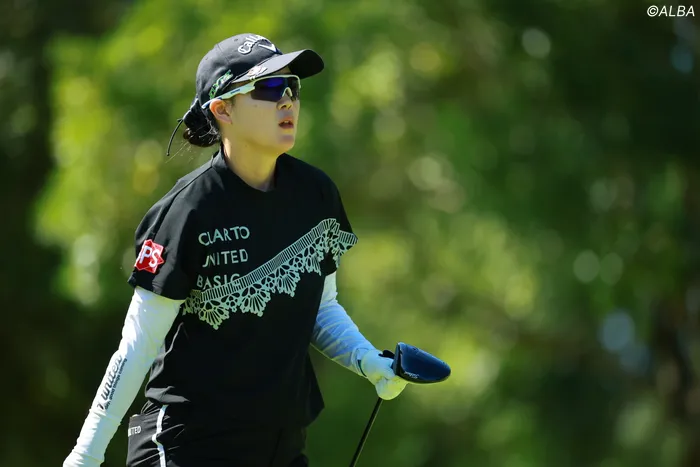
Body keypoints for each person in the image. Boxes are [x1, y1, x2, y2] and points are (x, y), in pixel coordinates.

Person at [63, 33, 408, 467]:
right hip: (187, 447)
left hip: (282, 446)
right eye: (268, 87)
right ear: (222, 110)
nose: (287, 100)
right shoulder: (186, 211)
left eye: (292, 87)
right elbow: (137, 347)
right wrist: (85, 455)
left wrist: (368, 360)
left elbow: (320, 307)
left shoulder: (316, 194)